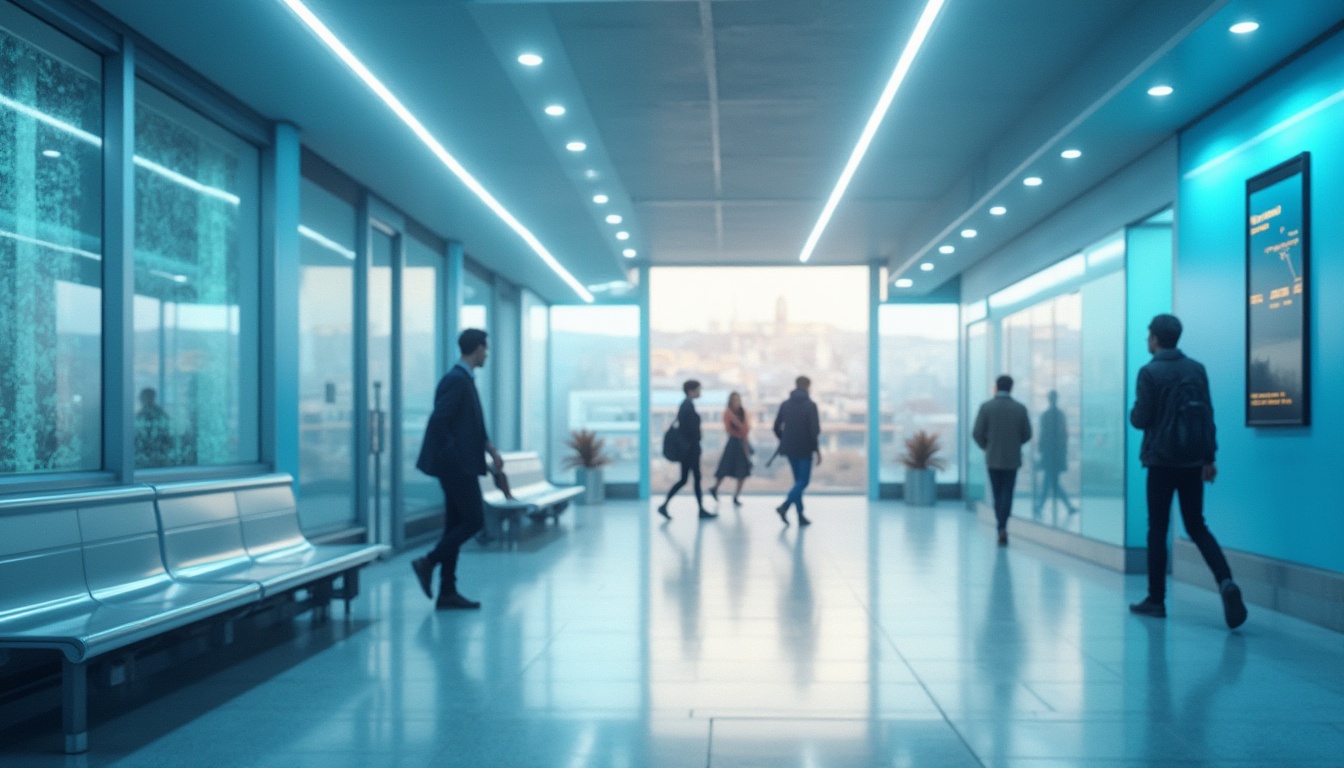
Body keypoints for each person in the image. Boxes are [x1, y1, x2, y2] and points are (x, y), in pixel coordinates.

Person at [1128, 314, 1246, 629]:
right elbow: (1206, 414)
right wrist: (1209, 458)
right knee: (1196, 525)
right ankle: (1225, 582)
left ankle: (1156, 600)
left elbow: (1141, 418)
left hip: (1161, 461)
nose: (1147, 340)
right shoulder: (1197, 369)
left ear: (1154, 338)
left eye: (1148, 335)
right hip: (1194, 461)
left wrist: (1134, 412)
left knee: (1157, 528)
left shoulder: (1149, 372)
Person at [411, 328, 504, 610]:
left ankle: (447, 591)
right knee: (474, 520)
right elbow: (439, 421)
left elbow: (471, 423)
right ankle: (429, 561)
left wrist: (489, 448)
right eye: (485, 348)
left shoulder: (463, 379)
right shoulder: (457, 380)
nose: (487, 353)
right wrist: (456, 456)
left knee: (454, 524)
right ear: (477, 349)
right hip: (456, 467)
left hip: (459, 464)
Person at [972, 375, 1032, 546]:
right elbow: (1027, 434)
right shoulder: (1020, 409)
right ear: (1011, 388)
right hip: (1012, 458)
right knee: (1007, 493)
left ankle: (1001, 527)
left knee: (997, 494)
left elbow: (976, 433)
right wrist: (1014, 444)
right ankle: (1002, 527)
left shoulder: (986, 407)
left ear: (996, 387)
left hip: (993, 458)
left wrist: (987, 446)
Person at [659, 379, 714, 520]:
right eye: (698, 389)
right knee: (693, 478)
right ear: (691, 391)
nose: (700, 392)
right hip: (690, 450)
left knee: (687, 479)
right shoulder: (687, 406)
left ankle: (665, 505)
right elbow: (688, 430)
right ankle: (699, 509)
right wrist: (695, 440)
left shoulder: (686, 405)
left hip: (688, 449)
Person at [773, 376, 820, 526]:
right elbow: (814, 431)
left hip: (790, 448)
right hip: (805, 448)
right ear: (807, 386)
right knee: (803, 481)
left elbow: (776, 427)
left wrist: (784, 439)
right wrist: (817, 449)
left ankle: (800, 515)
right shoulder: (811, 405)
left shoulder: (785, 405)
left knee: (797, 482)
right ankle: (785, 505)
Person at [1034, 390, 1076, 516]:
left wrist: (1041, 451)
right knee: (1052, 482)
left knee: (1050, 482)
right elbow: (1064, 436)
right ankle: (1067, 506)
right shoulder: (1060, 415)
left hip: (1048, 454)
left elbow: (1043, 435)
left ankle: (1041, 506)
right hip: (1057, 454)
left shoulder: (1045, 415)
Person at [710, 392, 752, 507]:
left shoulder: (743, 412)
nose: (736, 402)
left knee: (742, 472)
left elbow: (746, 428)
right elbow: (731, 429)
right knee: (724, 468)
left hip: (742, 443)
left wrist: (745, 437)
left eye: (738, 399)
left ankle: (736, 496)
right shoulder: (728, 414)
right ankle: (715, 488)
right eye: (734, 400)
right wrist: (742, 430)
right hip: (733, 443)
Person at [134, 387, 173, 468]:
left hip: (156, 453)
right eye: (142, 397)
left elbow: (166, 433)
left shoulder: (159, 415)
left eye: (146, 397)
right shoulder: (141, 414)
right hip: (147, 453)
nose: (142, 400)